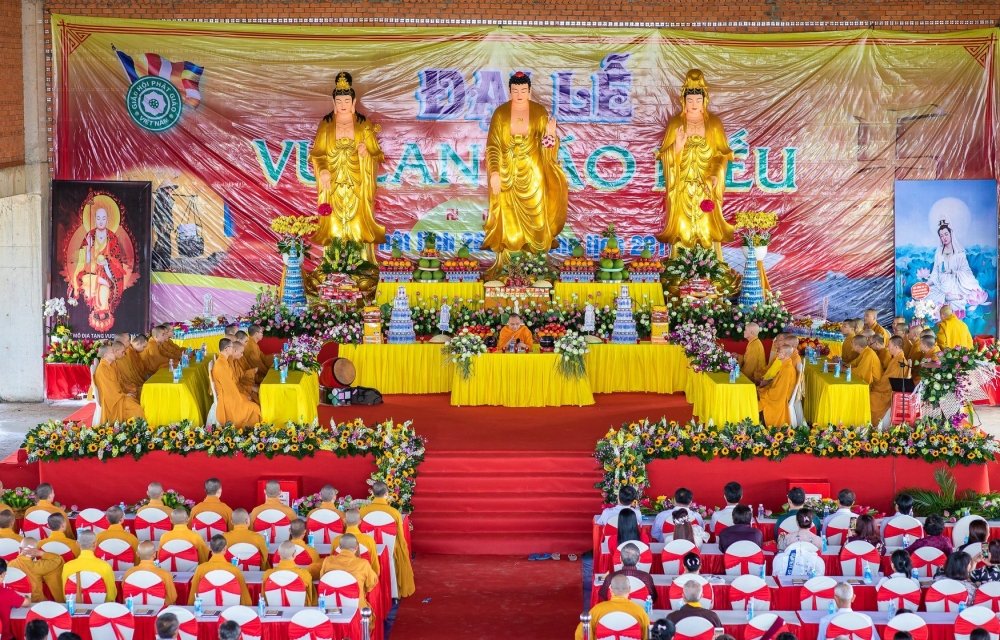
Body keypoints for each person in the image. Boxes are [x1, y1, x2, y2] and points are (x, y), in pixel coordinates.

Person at [482, 71, 568, 278]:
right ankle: (511, 269)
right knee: (510, 224)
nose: (519, 94)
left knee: (537, 221)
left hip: (533, 174)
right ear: (510, 91)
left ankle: (537, 267)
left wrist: (550, 135)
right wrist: (494, 173)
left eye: (523, 90)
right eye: (515, 90)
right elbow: (493, 146)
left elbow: (547, 147)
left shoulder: (539, 112)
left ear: (529, 91)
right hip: (507, 174)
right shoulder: (500, 113)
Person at [656, 68, 733, 261]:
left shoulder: (714, 124)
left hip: (706, 184)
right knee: (683, 225)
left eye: (698, 100)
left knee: (706, 223)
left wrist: (715, 174)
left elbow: (722, 154)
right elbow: (664, 154)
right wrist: (677, 147)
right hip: (683, 184)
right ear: (683, 100)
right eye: (690, 100)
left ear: (704, 100)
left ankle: (710, 264)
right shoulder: (676, 123)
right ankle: (680, 263)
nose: (694, 104)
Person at [309, 71, 387, 260]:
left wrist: (365, 154)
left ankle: (361, 263)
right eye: (339, 101)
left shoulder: (363, 124)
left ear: (353, 102)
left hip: (357, 184)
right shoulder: (326, 124)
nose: (343, 105)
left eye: (346, 101)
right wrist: (323, 169)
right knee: (334, 223)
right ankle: (332, 263)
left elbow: (376, 154)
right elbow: (318, 154)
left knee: (357, 223)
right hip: (333, 184)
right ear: (333, 103)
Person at [68, 193, 131, 332]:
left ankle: (103, 311)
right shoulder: (89, 236)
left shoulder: (112, 238)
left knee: (105, 287)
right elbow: (85, 261)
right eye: (98, 218)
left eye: (103, 218)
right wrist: (89, 248)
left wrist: (107, 263)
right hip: (90, 273)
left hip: (108, 274)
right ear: (94, 220)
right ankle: (97, 307)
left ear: (108, 220)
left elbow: (117, 262)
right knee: (89, 283)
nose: (101, 221)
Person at [361, 481, 416, 598]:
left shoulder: (363, 511)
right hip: (390, 550)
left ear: (372, 493)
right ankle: (393, 591)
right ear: (386, 494)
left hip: (367, 551)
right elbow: (400, 538)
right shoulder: (394, 513)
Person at [925, 220, 989, 317]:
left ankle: (951, 297)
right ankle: (948, 297)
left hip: (956, 282)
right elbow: (935, 272)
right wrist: (926, 284)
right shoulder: (938, 253)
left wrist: (953, 271)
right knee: (926, 296)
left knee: (960, 302)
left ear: (951, 234)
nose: (944, 237)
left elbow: (966, 270)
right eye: (941, 236)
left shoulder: (959, 253)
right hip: (942, 283)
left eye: (946, 234)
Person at [576, 574, 650, 640]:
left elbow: (581, 636)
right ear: (629, 589)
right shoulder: (640, 612)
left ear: (610, 589)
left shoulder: (597, 610)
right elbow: (648, 637)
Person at [212, 338, 261, 429]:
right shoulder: (221, 365)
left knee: (252, 401)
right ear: (227, 349)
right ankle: (251, 431)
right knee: (254, 408)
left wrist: (244, 395)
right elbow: (229, 388)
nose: (233, 348)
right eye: (232, 347)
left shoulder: (224, 361)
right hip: (228, 400)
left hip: (232, 394)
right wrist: (242, 398)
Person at [188, 535, 251, 605]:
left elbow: (193, 594)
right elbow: (245, 598)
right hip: (230, 609)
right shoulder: (234, 570)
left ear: (210, 547)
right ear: (225, 548)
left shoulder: (200, 569)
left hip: (206, 608)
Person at [319, 534, 378, 607]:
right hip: (357, 607)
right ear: (357, 547)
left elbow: (322, 579)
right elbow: (371, 583)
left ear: (340, 547)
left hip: (331, 607)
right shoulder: (363, 564)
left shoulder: (327, 561)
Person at [94, 344, 145, 422]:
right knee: (137, 409)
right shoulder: (103, 369)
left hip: (119, 395)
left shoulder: (112, 365)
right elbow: (109, 391)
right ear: (105, 355)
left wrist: (128, 391)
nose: (115, 353)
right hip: (114, 400)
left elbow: (120, 381)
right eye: (112, 351)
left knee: (139, 396)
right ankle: (140, 428)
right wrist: (124, 395)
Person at [61, 530, 116, 602]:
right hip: (100, 606)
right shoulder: (105, 566)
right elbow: (111, 595)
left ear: (77, 544)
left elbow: (65, 594)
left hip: (75, 606)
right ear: (95, 544)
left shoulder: (67, 567)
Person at [9, 537, 64, 602]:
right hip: (36, 601)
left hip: (18, 601)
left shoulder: (10, 565)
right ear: (36, 551)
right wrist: (41, 553)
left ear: (20, 549)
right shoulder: (38, 566)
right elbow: (58, 560)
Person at [870, 337, 910, 424]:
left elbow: (888, 383)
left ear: (896, 347)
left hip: (889, 393)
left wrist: (876, 386)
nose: (887, 348)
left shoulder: (900, 362)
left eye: (889, 345)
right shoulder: (895, 358)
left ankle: (871, 424)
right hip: (885, 388)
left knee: (870, 397)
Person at [262, 540, 315, 606]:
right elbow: (311, 598)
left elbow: (263, 598)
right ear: (294, 554)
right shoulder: (305, 574)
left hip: (274, 610)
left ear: (278, 553)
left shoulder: (267, 575)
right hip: (300, 610)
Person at [758, 342, 797, 427]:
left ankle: (757, 421)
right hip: (776, 392)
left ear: (785, 355)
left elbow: (780, 391)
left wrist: (765, 393)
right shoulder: (784, 365)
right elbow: (776, 382)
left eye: (779, 351)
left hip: (779, 397)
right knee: (758, 391)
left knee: (759, 398)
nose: (777, 353)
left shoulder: (787, 370)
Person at [331, 509, 380, 576]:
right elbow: (374, 565)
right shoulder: (369, 540)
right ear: (360, 522)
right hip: (363, 576)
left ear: (344, 520)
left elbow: (332, 561)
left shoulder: (336, 540)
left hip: (340, 576)